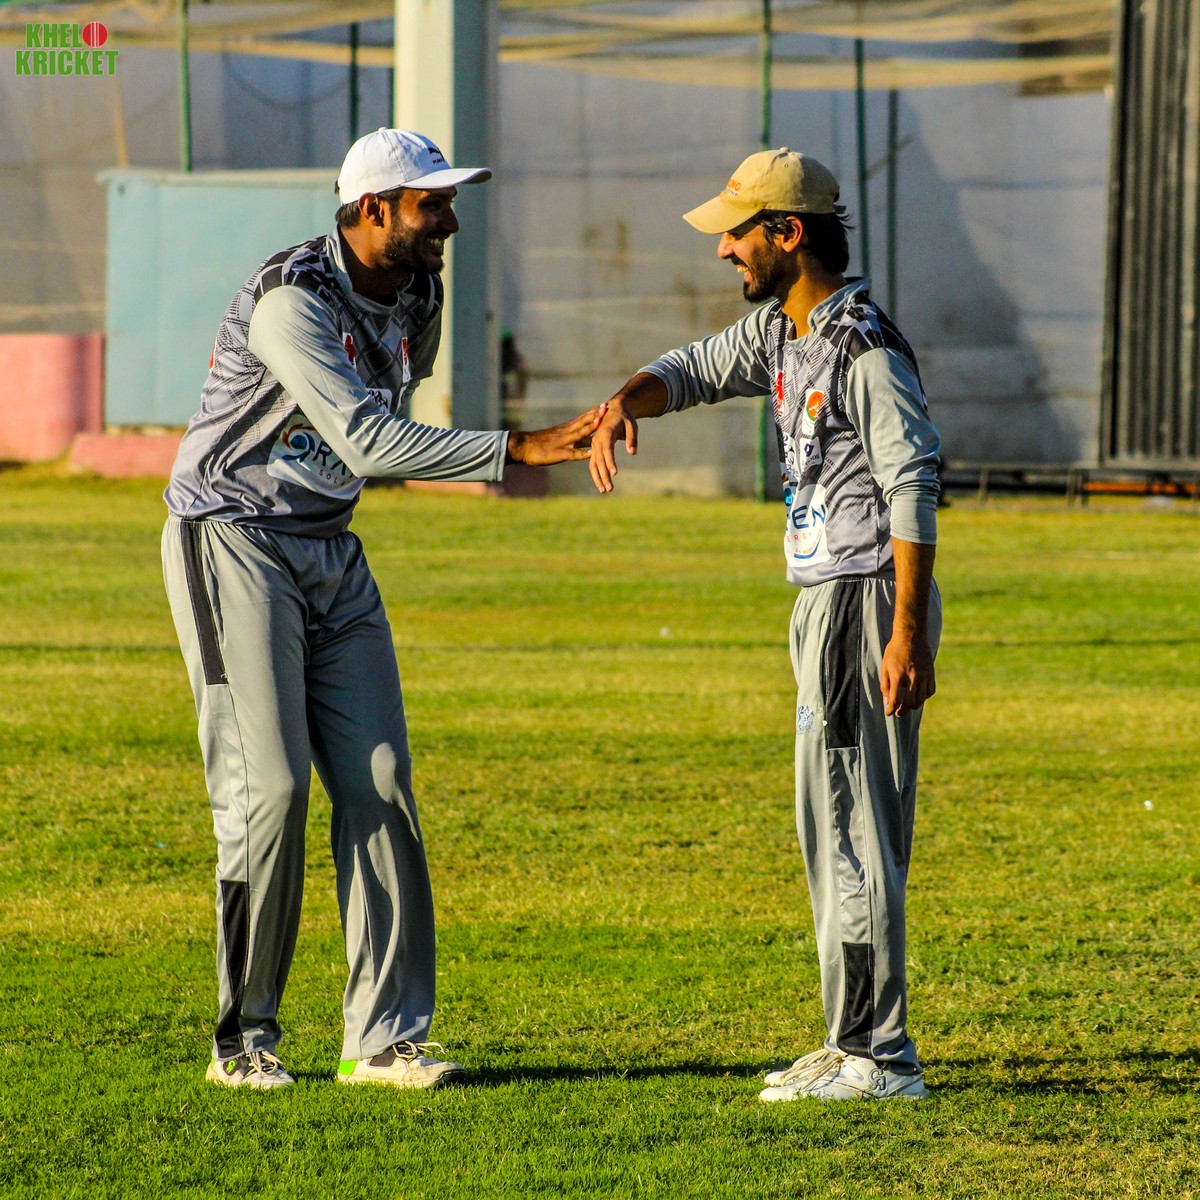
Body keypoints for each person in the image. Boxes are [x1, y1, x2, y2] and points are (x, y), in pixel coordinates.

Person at [162, 127, 602, 1091]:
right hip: (234, 539)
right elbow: (368, 439)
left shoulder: (419, 294)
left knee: (382, 783)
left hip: (332, 548)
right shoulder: (291, 300)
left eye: (449, 203)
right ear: (372, 211)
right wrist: (519, 448)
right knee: (272, 792)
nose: (449, 222)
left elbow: (384, 420)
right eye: (432, 204)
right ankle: (243, 1040)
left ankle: (384, 1040)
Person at [588, 147, 942, 1102]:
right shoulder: (786, 333)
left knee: (853, 826)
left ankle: (879, 1057)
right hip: (825, 602)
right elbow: (689, 370)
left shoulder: (863, 348)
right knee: (829, 824)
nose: (723, 251)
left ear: (788, 233)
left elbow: (913, 485)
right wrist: (622, 404)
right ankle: (851, 1040)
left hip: (865, 599)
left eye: (737, 233)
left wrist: (906, 632)